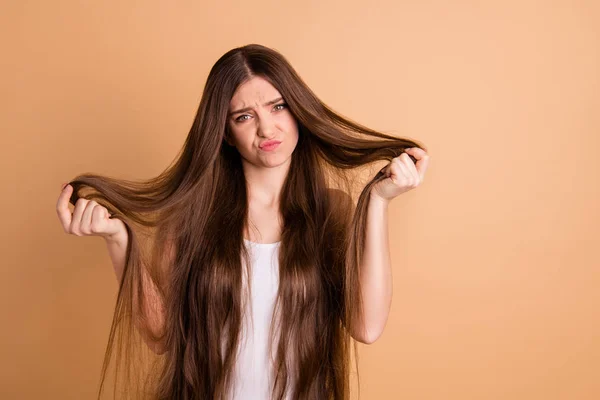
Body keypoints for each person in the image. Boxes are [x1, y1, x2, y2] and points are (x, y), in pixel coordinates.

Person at [55, 44, 429, 400]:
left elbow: (366, 326)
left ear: (299, 110)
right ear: (226, 134)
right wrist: (118, 240)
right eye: (244, 116)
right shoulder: (192, 218)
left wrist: (378, 202)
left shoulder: (331, 212)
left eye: (278, 106)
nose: (267, 129)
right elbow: (161, 335)